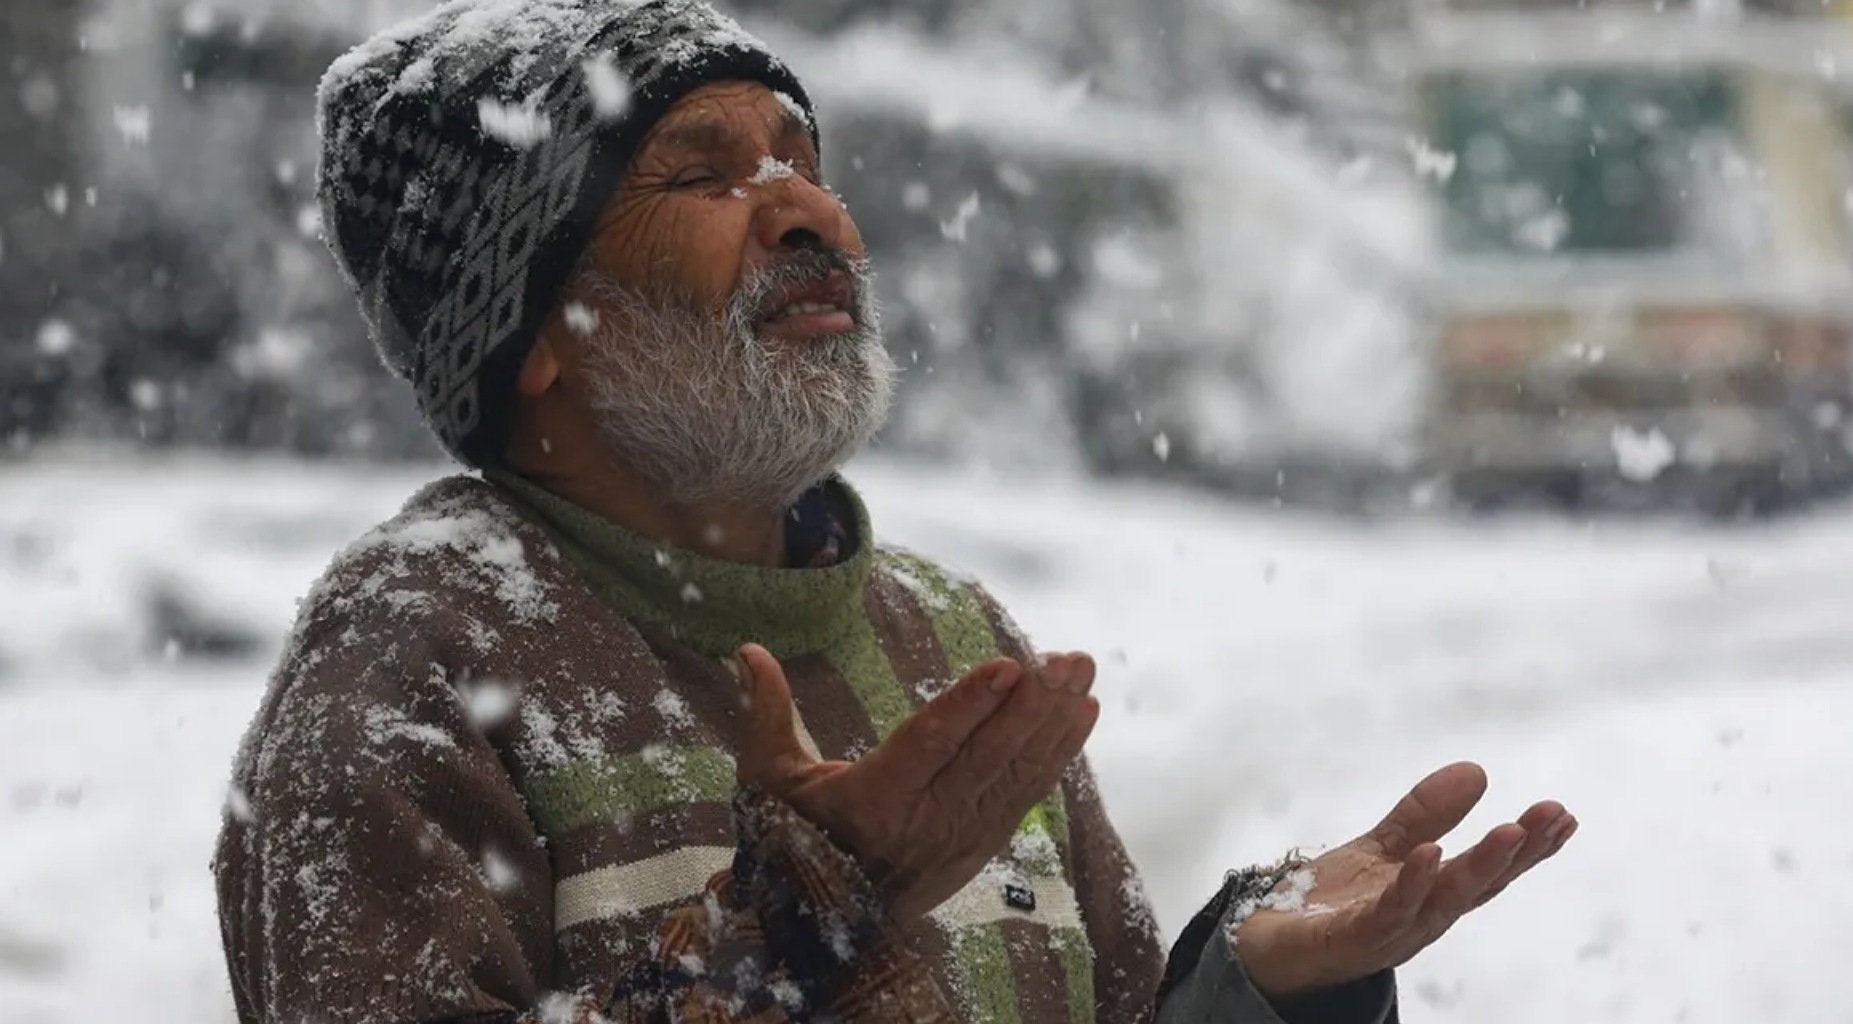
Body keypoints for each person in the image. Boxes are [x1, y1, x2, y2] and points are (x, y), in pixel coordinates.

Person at [213, 2, 1579, 1022]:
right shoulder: (412, 671)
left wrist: (1249, 987)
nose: (811, 213)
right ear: (534, 336)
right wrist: (798, 923)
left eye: (802, 160)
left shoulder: (941, 628)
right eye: (702, 175)